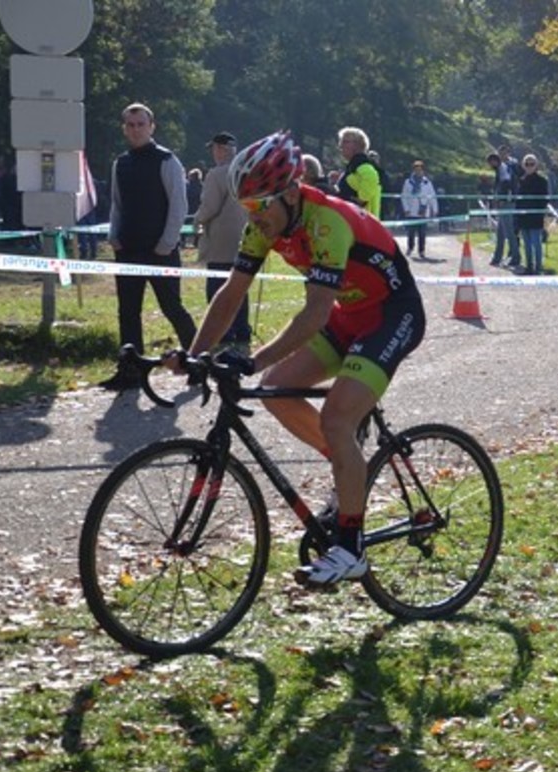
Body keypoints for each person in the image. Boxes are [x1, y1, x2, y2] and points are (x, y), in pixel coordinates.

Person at [171, 131, 425, 585]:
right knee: (276, 389)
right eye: (245, 206)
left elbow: (314, 314)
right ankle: (348, 467)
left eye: (259, 205)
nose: (253, 216)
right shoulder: (264, 225)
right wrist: (195, 356)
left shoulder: (327, 222)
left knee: (337, 418)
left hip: (392, 315)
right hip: (351, 316)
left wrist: (253, 359)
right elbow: (232, 293)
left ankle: (351, 550)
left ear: (290, 193)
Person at [99, 103, 196, 392]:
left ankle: (198, 364)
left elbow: (179, 205)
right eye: (130, 125)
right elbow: (117, 204)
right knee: (128, 312)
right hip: (127, 250)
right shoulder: (120, 163)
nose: (136, 129)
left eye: (141, 124)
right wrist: (114, 235)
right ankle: (130, 371)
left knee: (172, 308)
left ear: (151, 127)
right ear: (124, 128)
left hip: (160, 251)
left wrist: (167, 243)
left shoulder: (167, 160)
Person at [193, 132, 251, 347]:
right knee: (240, 286)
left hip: (220, 239)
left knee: (217, 287)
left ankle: (222, 332)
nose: (214, 153)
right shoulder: (247, 172)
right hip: (244, 235)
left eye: (215, 149)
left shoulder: (216, 174)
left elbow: (209, 207)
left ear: (221, 149)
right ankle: (242, 329)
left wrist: (197, 220)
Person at [334, 127, 382, 219]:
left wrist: (338, 196)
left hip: (360, 222)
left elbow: (362, 201)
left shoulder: (366, 169)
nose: (340, 145)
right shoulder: (353, 168)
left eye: (345, 141)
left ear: (358, 145)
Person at [516, 154, 549, 275]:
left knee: (536, 243)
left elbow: (544, 199)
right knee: (526, 244)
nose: (529, 166)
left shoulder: (542, 181)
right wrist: (517, 216)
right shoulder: (521, 180)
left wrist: (540, 213)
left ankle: (538, 266)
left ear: (536, 165)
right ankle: (529, 266)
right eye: (527, 164)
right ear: (523, 165)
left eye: (532, 164)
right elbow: (518, 199)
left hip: (535, 217)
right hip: (523, 217)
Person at [400, 160, 438, 260]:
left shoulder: (427, 183)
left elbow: (432, 196)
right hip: (411, 211)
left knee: (422, 233)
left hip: (423, 211)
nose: (418, 172)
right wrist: (406, 209)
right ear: (413, 171)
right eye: (416, 170)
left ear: (423, 171)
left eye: (420, 170)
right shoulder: (408, 182)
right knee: (411, 232)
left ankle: (421, 250)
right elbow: (404, 196)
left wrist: (434, 209)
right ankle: (410, 247)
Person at [490, 144, 521, 267]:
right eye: (500, 153)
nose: (502, 155)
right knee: (500, 232)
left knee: (509, 231)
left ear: (508, 153)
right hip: (504, 201)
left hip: (507, 202)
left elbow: (506, 184)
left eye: (504, 152)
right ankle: (497, 257)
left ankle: (516, 256)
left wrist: (502, 198)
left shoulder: (507, 166)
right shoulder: (503, 166)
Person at [185, 167, 204, 248]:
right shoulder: (202, 187)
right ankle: (196, 242)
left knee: (185, 225)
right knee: (197, 227)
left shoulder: (187, 187)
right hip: (198, 210)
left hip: (188, 210)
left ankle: (183, 242)